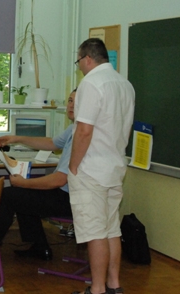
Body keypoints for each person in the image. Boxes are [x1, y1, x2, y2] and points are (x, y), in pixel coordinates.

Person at [0, 90, 77, 270]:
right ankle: (40, 247)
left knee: (10, 195)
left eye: (77, 102)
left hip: (70, 200)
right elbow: (52, 143)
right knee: (21, 195)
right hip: (66, 194)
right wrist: (17, 138)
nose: (71, 106)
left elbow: (59, 180)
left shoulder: (80, 137)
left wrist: (24, 183)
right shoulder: (74, 128)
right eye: (70, 100)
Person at [69, 38, 135, 294]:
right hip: (114, 167)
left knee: (95, 232)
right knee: (111, 229)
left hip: (91, 170)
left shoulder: (91, 83)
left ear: (87, 58)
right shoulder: (125, 84)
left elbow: (84, 130)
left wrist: (73, 165)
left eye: (79, 61)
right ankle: (114, 285)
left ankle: (97, 289)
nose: (79, 67)